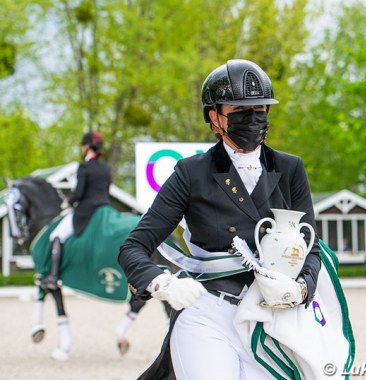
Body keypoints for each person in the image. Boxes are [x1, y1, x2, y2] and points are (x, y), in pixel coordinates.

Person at [118, 59, 322, 380]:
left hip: (273, 319)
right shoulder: (190, 173)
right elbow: (134, 247)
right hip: (209, 314)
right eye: (241, 111)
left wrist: (301, 288)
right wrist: (163, 283)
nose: (254, 118)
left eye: (261, 109)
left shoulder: (290, 168)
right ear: (215, 117)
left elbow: (312, 247)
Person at [41, 130, 112, 289]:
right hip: (105, 210)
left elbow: (79, 193)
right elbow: (106, 191)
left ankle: (53, 277)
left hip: (86, 212)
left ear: (87, 147)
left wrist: (68, 203)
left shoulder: (84, 167)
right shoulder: (106, 168)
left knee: (57, 235)